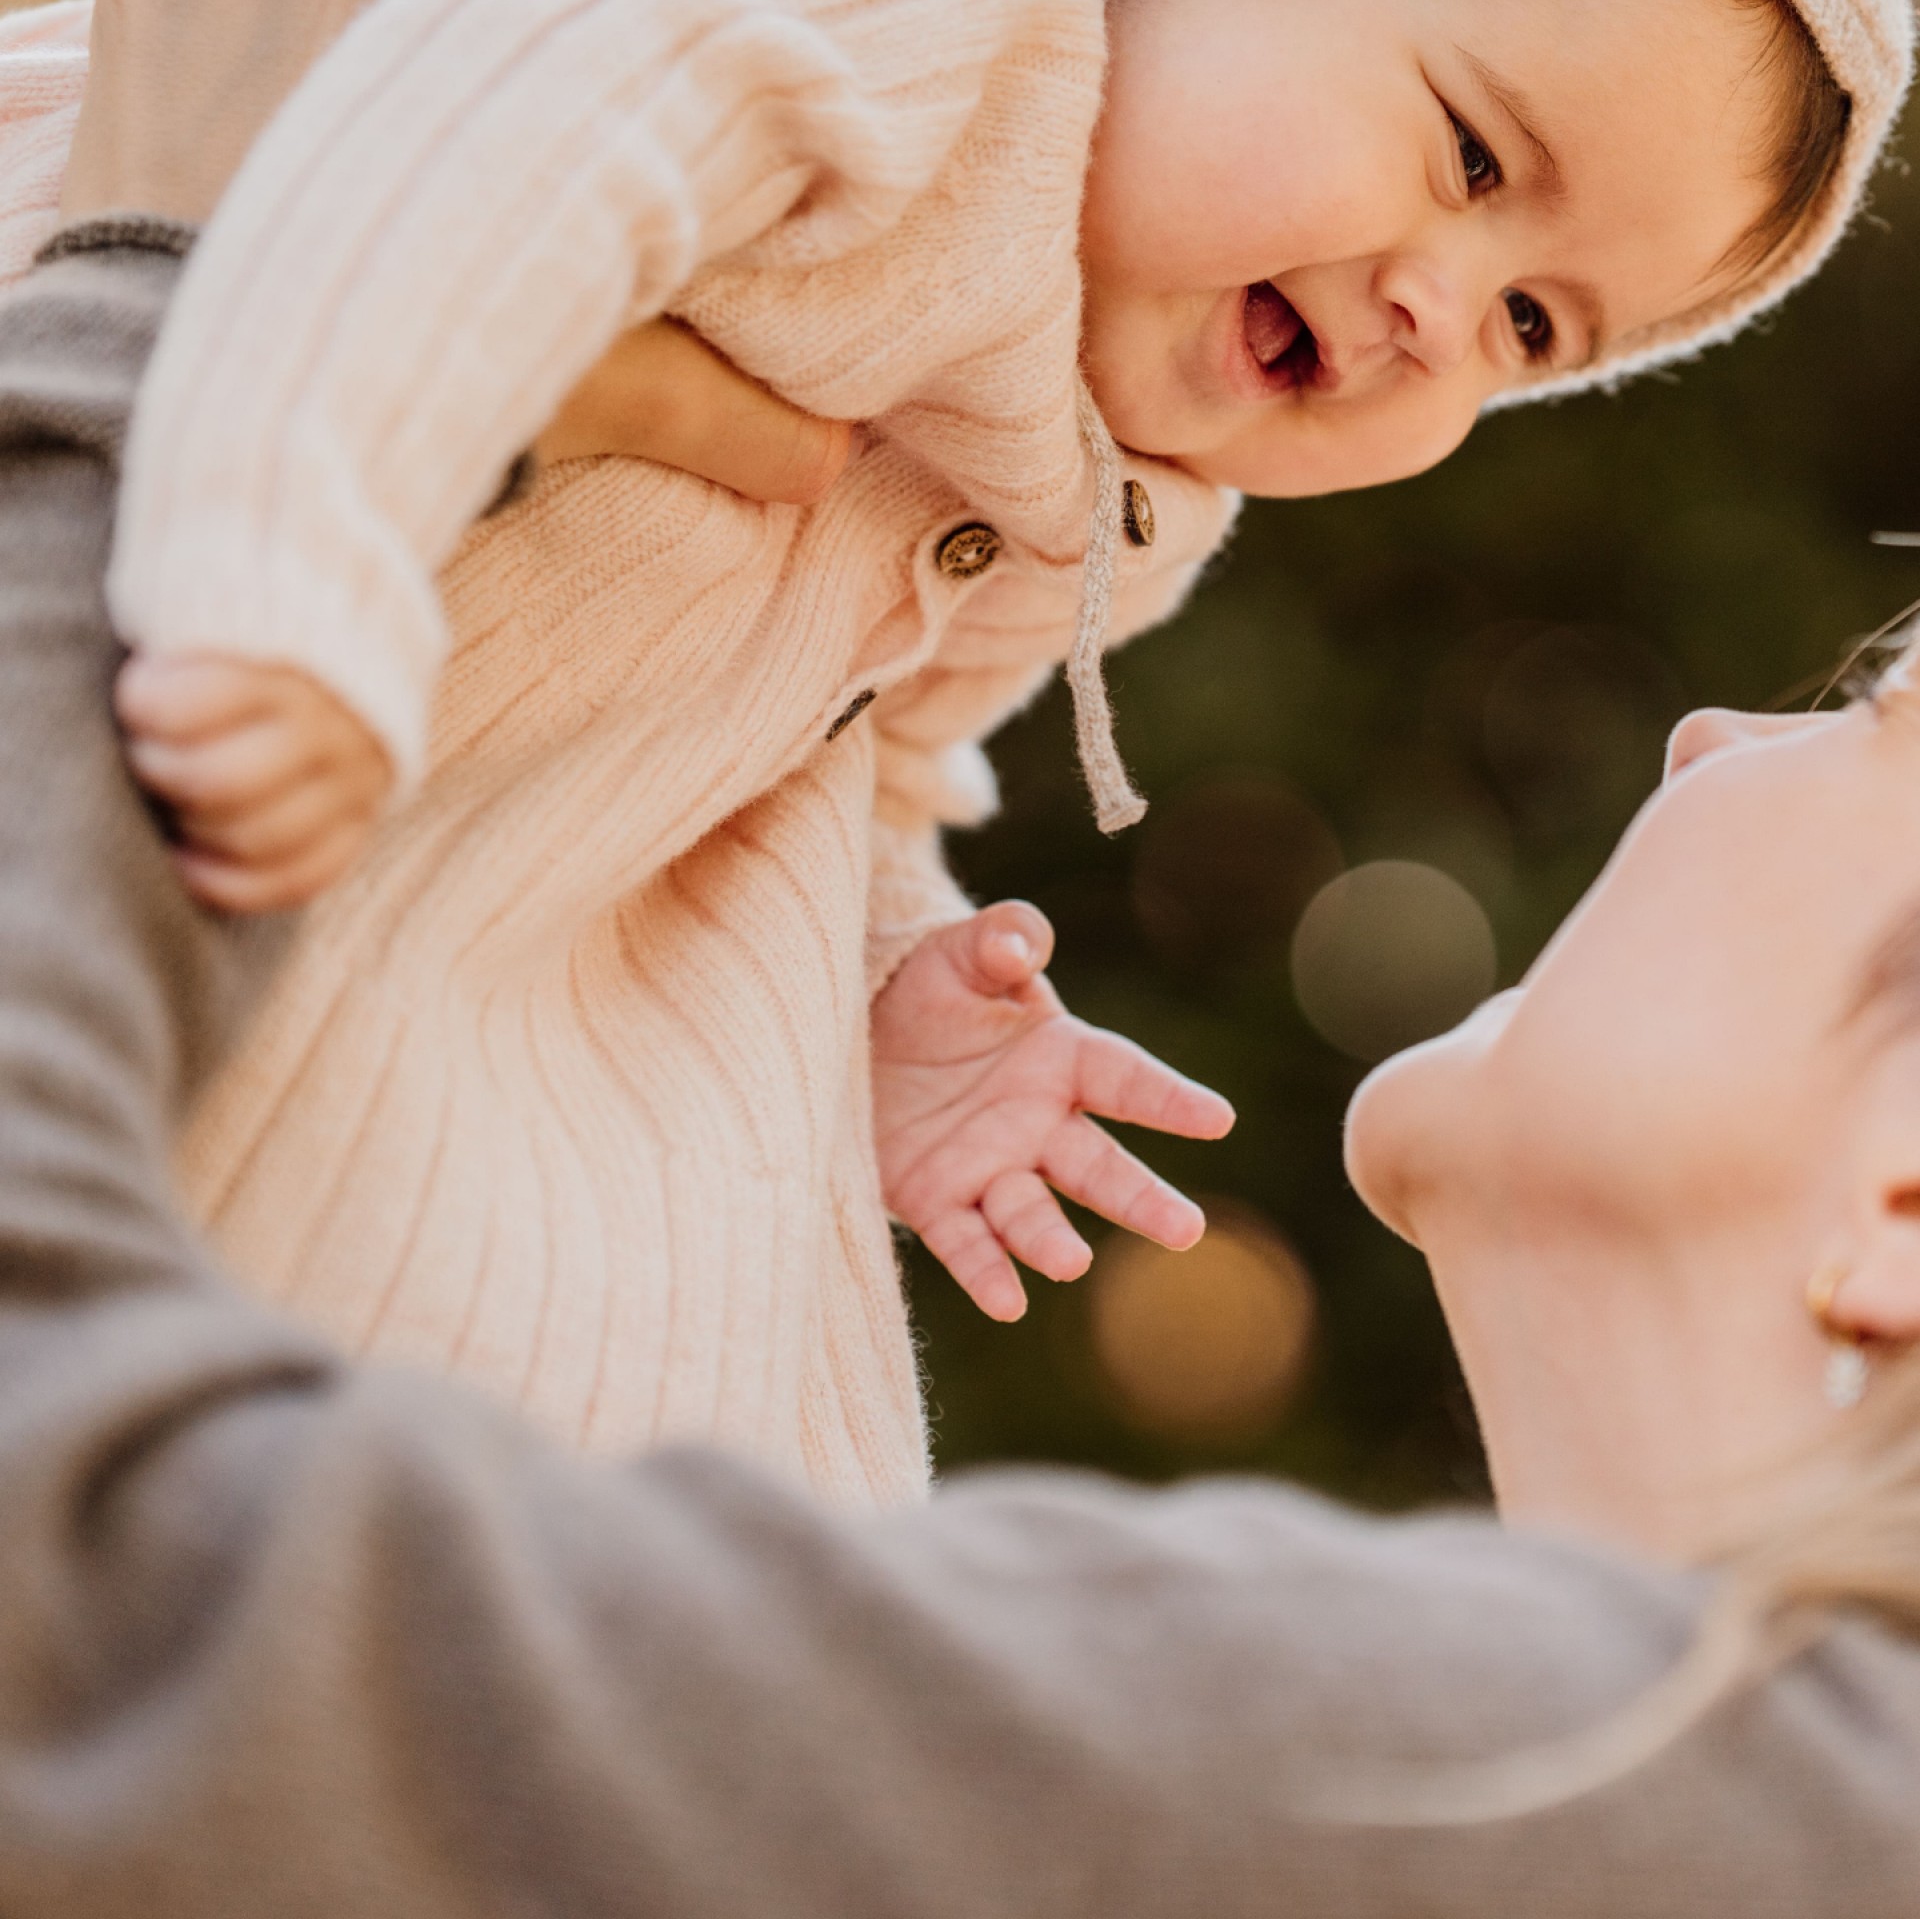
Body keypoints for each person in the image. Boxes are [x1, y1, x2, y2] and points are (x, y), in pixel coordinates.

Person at [17, 0, 1915, 1504]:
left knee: (699, 1339)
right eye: (1474, 154)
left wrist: (886, 980)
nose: (1435, 318)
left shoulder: (1098, 476)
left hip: (378, 952)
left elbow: (849, 765)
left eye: (1541, 322)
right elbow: (474, 143)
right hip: (213, 516)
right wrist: (276, 567)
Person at [0, 202, 1916, 1914]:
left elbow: (81, 1623)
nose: (1715, 738)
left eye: (1877, 717)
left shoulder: (1584, 1799)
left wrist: (191, 319)